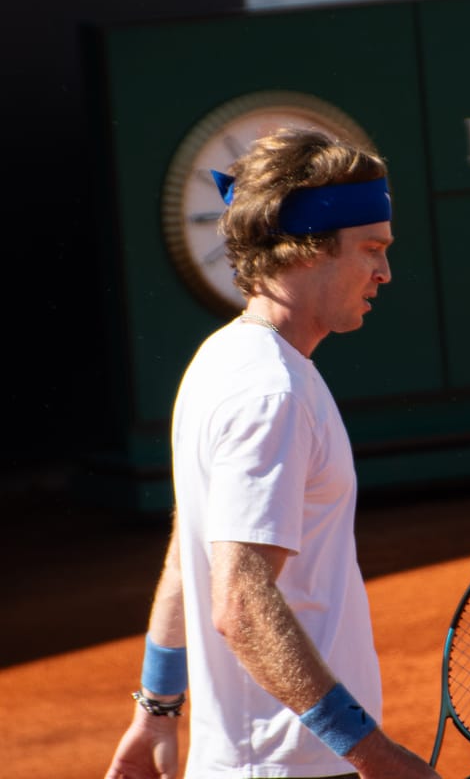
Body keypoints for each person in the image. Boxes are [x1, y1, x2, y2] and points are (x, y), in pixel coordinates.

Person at [104, 128, 442, 779]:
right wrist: (376, 757)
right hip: (292, 768)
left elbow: (189, 553)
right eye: (371, 249)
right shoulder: (274, 395)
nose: (385, 272)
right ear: (310, 251)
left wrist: (157, 705)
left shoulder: (221, 360)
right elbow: (240, 599)